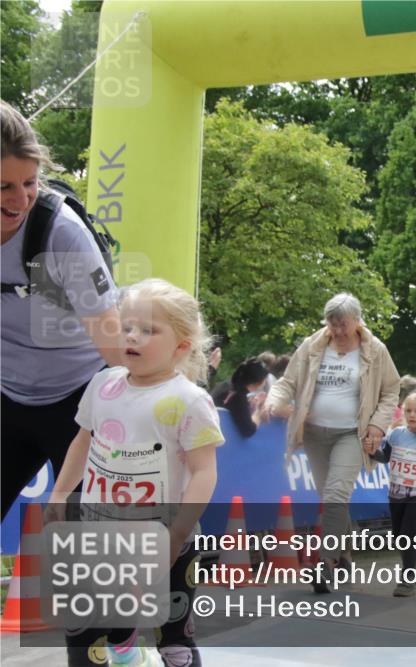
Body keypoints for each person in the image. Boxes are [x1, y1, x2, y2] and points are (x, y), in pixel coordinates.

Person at [47, 278, 224, 667]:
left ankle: (131, 644)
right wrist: (60, 494)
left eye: (148, 330)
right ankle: (123, 644)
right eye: (127, 327)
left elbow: (203, 472)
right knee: (84, 640)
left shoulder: (189, 401)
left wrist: (178, 533)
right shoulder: (103, 384)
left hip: (167, 543)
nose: (133, 336)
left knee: (174, 644)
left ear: (181, 346)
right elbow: (83, 441)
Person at [1, 101, 122, 520]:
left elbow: (114, 346)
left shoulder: (60, 234)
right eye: (4, 188)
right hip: (8, 395)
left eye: (30, 182)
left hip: (79, 398)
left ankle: (176, 559)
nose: (21, 200)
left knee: (94, 537)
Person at [262, 292, 400, 591]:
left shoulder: (375, 350)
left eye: (343, 324)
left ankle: (325, 564)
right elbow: (287, 382)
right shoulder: (313, 345)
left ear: (357, 320)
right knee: (330, 497)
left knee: (337, 494)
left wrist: (377, 424)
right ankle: (345, 556)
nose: (337, 331)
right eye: (332, 324)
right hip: (313, 434)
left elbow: (391, 390)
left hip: (352, 433)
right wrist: (274, 401)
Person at [366, 391, 416, 597]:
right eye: (408, 410)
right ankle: (412, 565)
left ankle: (408, 580)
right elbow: (385, 457)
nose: (412, 415)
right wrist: (372, 452)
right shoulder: (396, 434)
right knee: (399, 537)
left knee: (407, 535)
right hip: (396, 493)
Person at [211, 357, 269, 438]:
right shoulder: (238, 396)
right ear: (258, 382)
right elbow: (249, 430)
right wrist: (258, 412)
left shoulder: (227, 384)